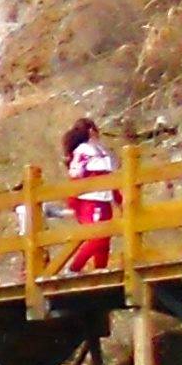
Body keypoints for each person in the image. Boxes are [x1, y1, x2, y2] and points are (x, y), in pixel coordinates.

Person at [61, 118, 120, 275]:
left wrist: (117, 197)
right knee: (98, 236)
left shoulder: (97, 149)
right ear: (89, 131)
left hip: (103, 197)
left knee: (104, 238)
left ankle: (101, 269)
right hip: (91, 199)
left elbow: (109, 174)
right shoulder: (85, 150)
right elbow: (82, 175)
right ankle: (74, 268)